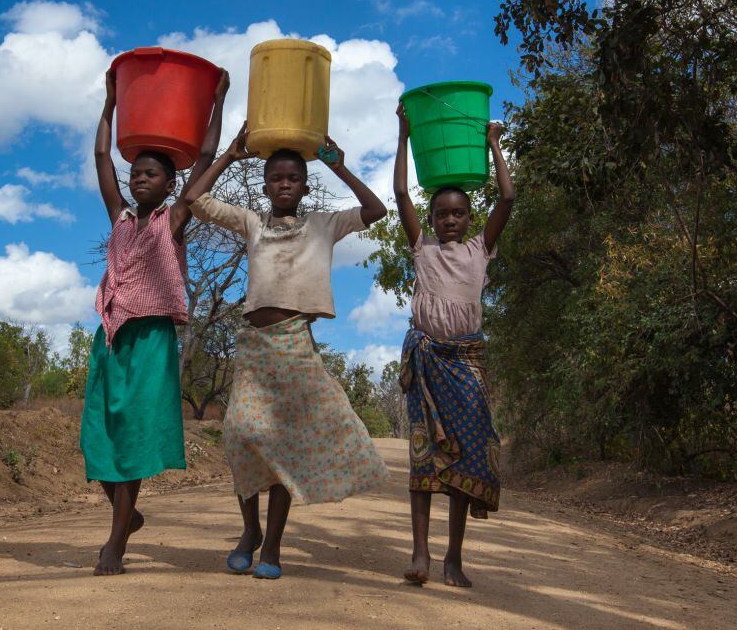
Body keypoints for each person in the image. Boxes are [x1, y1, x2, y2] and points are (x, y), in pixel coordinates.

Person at [184, 130, 390, 580]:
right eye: (275, 178)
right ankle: (250, 531)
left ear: (305, 185)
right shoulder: (251, 222)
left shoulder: (324, 225)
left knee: (283, 446)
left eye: (293, 178)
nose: (284, 184)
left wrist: (337, 163)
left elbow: (376, 210)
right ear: (263, 186)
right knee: (240, 435)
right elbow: (195, 198)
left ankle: (272, 547)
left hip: (295, 342)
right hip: (255, 347)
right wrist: (230, 156)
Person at [80, 65, 230, 576]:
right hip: (111, 336)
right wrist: (109, 103)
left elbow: (206, 158)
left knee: (137, 435)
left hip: (152, 339)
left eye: (151, 174)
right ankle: (128, 515)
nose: (140, 179)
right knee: (98, 434)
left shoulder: (175, 220)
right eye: (135, 174)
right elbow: (102, 154)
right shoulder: (120, 217)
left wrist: (219, 101)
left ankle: (114, 544)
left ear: (170, 184)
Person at [393, 102, 514, 587]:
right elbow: (401, 190)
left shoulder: (480, 249)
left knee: (466, 457)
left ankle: (454, 559)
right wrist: (403, 133)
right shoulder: (421, 247)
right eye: (442, 213)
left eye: (458, 213)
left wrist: (493, 144)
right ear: (432, 218)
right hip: (426, 361)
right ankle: (420, 555)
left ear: (468, 219)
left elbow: (506, 198)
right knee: (423, 460)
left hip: (466, 363)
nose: (449, 220)